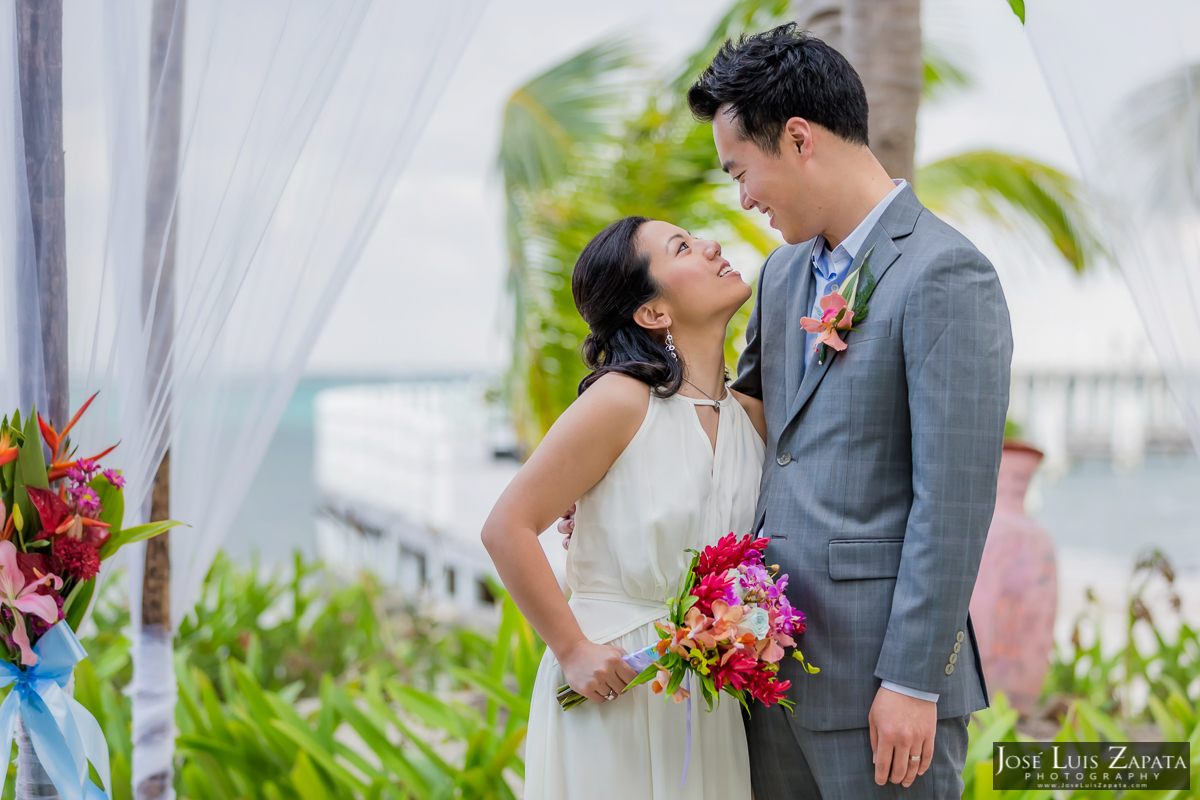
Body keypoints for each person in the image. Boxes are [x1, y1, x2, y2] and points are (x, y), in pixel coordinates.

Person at [682, 23, 1012, 799]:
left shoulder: (946, 273)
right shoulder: (783, 274)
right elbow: (748, 423)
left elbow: (954, 498)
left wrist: (913, 680)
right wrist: (615, 475)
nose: (744, 198)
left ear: (798, 138)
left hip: (881, 693)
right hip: (770, 677)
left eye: (742, 171)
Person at [481, 216, 766, 799]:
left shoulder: (751, 418)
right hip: (611, 679)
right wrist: (572, 650)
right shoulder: (622, 399)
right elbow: (506, 527)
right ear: (653, 313)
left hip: (704, 692)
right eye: (682, 247)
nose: (713, 245)